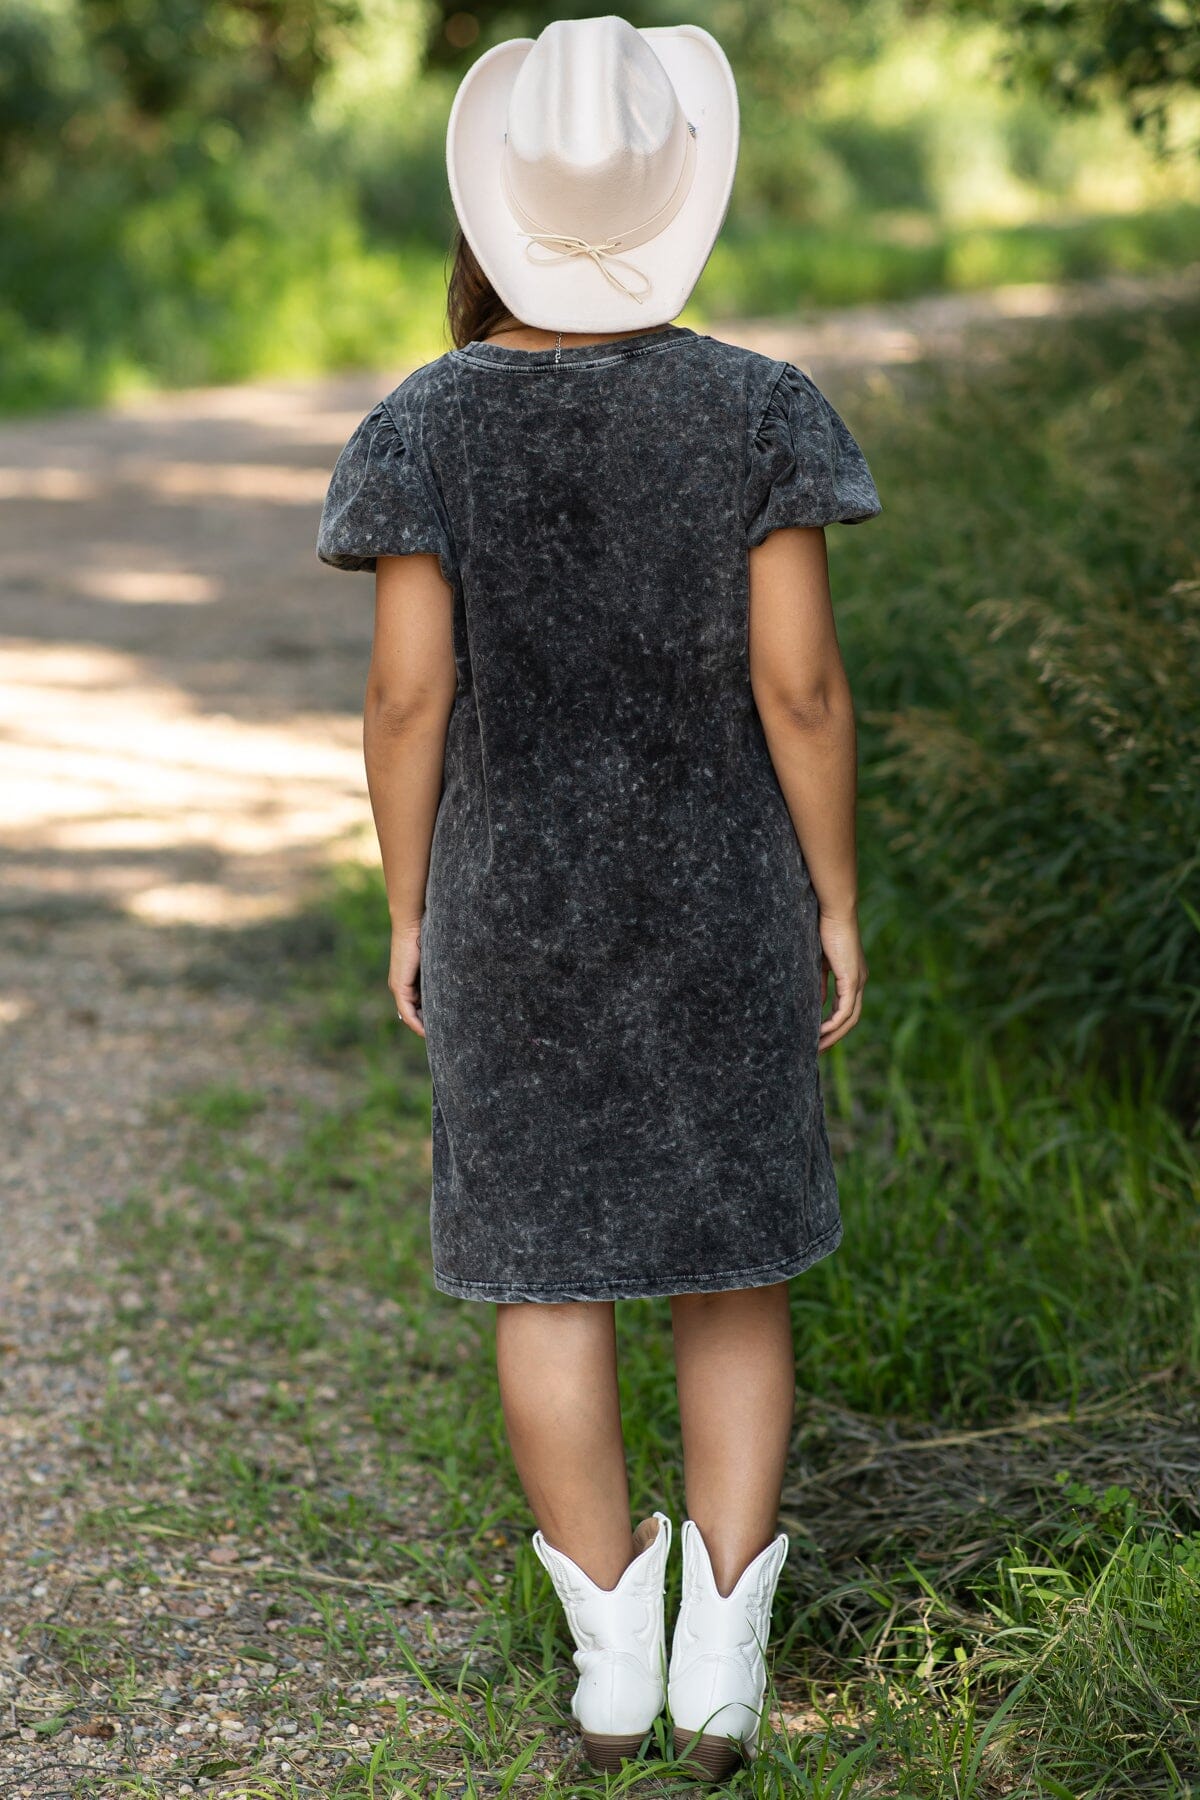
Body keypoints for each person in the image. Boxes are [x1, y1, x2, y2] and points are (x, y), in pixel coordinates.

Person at [316, 13, 883, 1780]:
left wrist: (410, 905)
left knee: (545, 1280)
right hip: (723, 910)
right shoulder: (760, 410)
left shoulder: (422, 426)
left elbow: (407, 699)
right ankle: (724, 1672)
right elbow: (801, 689)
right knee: (733, 1271)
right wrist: (834, 897)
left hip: (515, 917)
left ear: (496, 211)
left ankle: (613, 1675)